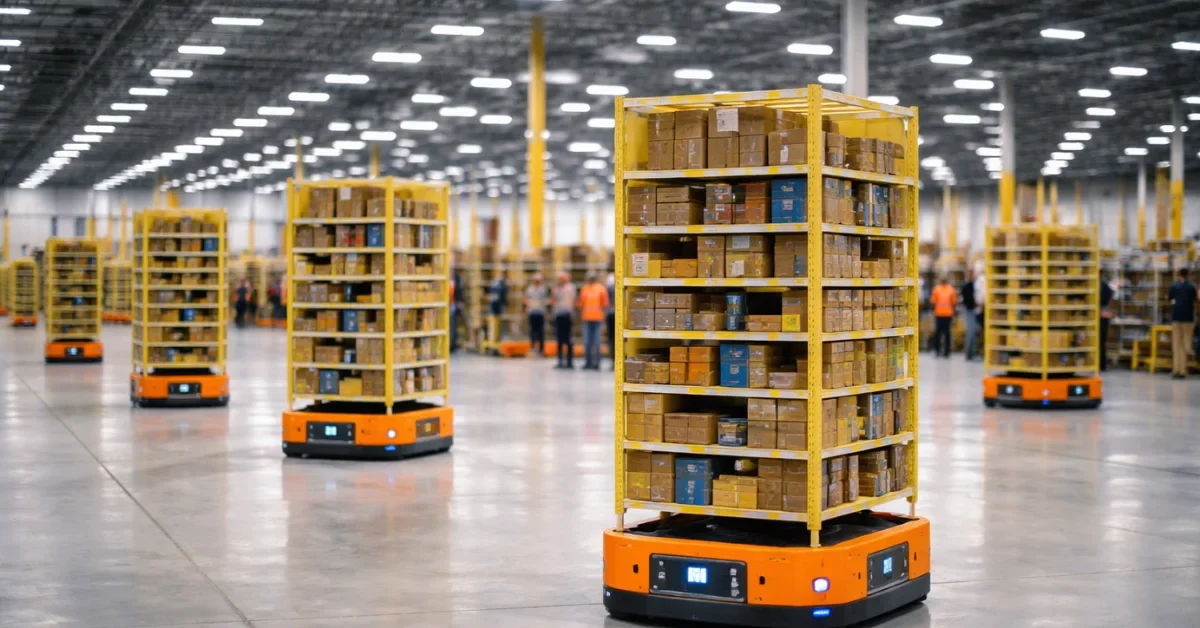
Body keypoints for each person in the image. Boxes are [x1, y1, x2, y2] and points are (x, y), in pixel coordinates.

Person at [1167, 267, 1198, 379]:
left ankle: (1176, 370)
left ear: (1178, 274)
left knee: (1176, 345)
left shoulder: (1174, 286)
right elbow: (1196, 300)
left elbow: (1169, 299)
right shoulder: (1192, 287)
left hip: (1176, 318)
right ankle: (1183, 370)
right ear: (1188, 274)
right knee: (1186, 345)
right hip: (1188, 319)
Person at [578, 273, 611, 370]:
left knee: (597, 342)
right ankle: (588, 362)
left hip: (597, 319)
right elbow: (581, 304)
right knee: (587, 342)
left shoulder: (601, 289)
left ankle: (596, 363)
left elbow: (605, 304)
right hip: (587, 319)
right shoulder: (584, 289)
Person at [552, 273, 577, 369]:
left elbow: (574, 301)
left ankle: (569, 361)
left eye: (562, 278)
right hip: (558, 315)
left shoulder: (570, 288)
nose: (561, 280)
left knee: (568, 339)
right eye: (560, 278)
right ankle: (560, 361)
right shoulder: (557, 289)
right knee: (559, 339)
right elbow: (553, 300)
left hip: (567, 315)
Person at [930, 276, 957, 358]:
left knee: (947, 333)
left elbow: (954, 302)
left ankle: (947, 352)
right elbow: (933, 302)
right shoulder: (937, 289)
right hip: (939, 314)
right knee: (938, 333)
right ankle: (937, 350)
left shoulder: (950, 289)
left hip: (947, 315)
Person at [525, 273, 549, 355]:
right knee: (532, 331)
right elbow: (527, 299)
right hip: (532, 312)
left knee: (541, 331)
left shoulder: (543, 289)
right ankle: (533, 347)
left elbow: (545, 300)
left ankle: (541, 349)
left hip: (540, 312)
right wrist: (527, 308)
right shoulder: (530, 289)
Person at [961, 270, 980, 361]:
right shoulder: (967, 285)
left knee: (974, 331)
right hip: (969, 311)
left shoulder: (973, 285)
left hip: (973, 310)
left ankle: (972, 353)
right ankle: (968, 354)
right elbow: (968, 299)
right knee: (970, 332)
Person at [1099, 275, 1115, 371]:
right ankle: (1102, 363)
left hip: (1101, 315)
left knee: (1100, 340)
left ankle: (1101, 363)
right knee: (1102, 340)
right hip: (1105, 314)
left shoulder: (1101, 284)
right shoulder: (1105, 284)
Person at [605, 273, 616, 370]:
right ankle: (615, 361)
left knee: (611, 339)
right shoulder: (614, 286)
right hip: (616, 314)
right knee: (615, 339)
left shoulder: (608, 286)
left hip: (610, 315)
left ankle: (613, 361)